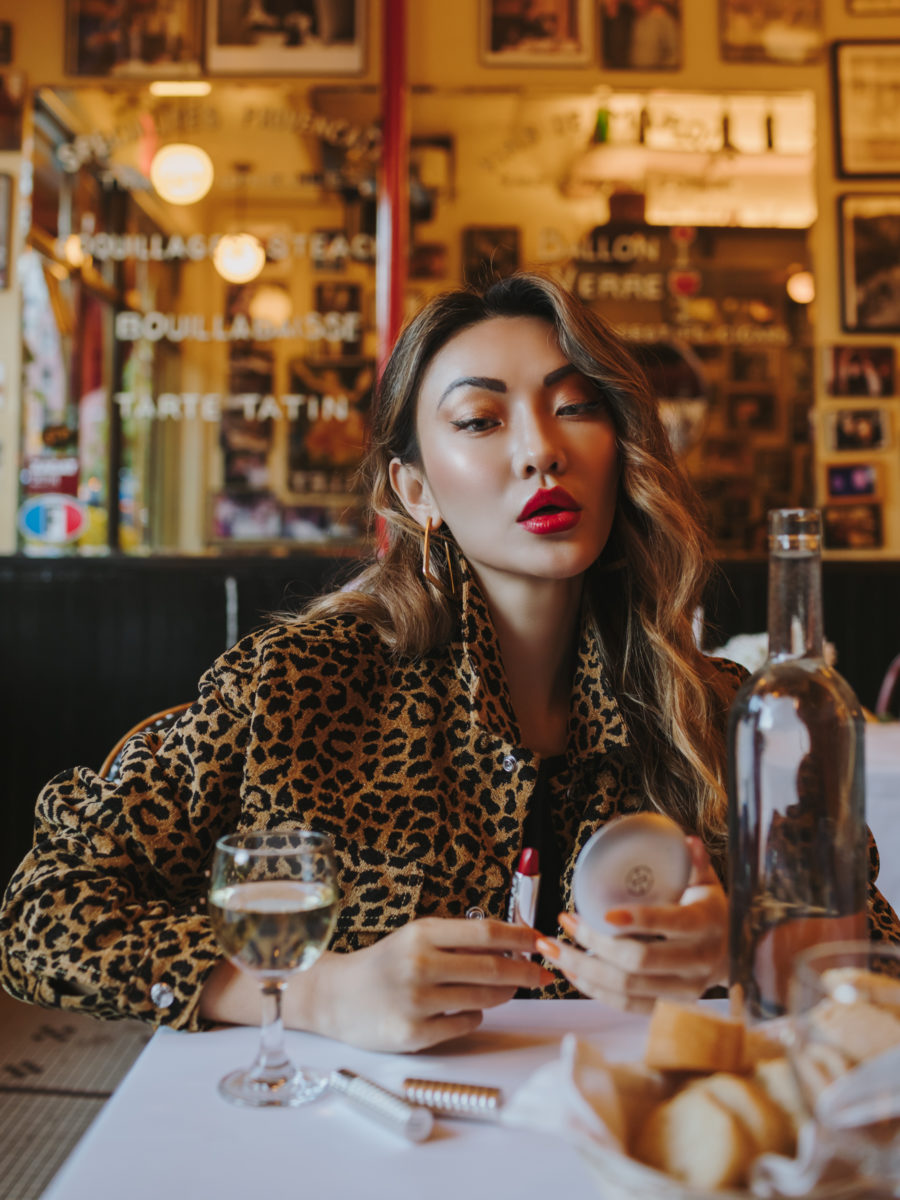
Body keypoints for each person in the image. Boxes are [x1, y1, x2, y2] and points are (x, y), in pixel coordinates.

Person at [2, 274, 897, 1055]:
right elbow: (42, 909)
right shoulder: (300, 688)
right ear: (415, 490)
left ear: (622, 448)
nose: (540, 449)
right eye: (480, 418)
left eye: (576, 405)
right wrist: (315, 991)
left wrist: (740, 953)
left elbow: (878, 960)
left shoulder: (726, 716)